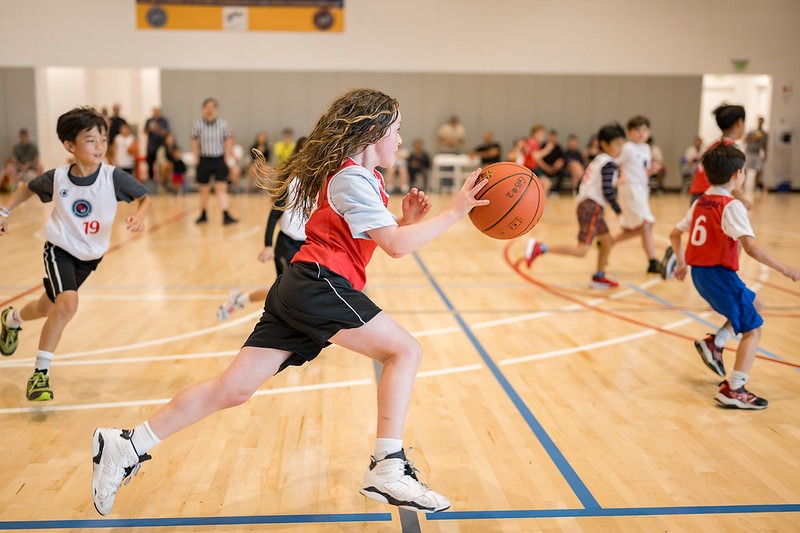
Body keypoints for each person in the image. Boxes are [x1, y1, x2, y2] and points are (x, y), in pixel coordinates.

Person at [91, 87, 489, 516]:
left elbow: (378, 233)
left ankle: (127, 444)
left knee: (232, 389)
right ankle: (388, 468)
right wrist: (456, 210)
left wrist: (404, 220)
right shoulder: (351, 178)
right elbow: (395, 246)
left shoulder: (363, 178)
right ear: (373, 132)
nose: (401, 140)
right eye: (397, 130)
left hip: (300, 285)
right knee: (405, 351)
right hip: (319, 283)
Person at [0, 107, 151, 401]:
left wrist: (140, 216)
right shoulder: (58, 178)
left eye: (103, 139)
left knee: (47, 307)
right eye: (90, 140)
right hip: (60, 249)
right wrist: (4, 211)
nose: (99, 146)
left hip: (90, 257)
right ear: (70, 145)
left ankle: (11, 319)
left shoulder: (113, 177)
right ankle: (40, 375)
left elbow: (145, 198)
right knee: (68, 304)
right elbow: (27, 188)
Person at [665, 143, 799, 409]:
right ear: (738, 174)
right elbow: (751, 247)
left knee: (756, 304)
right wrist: (786, 269)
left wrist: (681, 263)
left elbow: (674, 234)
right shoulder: (731, 206)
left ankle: (716, 342)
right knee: (753, 330)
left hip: (700, 275)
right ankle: (734, 388)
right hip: (719, 275)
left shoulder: (700, 202)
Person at [524, 123, 626, 289]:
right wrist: (619, 211)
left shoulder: (598, 160)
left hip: (587, 204)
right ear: (604, 144)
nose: (620, 148)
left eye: (622, 144)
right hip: (592, 206)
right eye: (617, 144)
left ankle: (599, 277)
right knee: (582, 250)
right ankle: (540, 247)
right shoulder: (609, 163)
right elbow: (607, 190)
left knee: (607, 242)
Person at [217, 137, 309, 321]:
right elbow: (274, 215)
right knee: (286, 291)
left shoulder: (320, 182)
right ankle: (245, 303)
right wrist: (268, 245)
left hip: (308, 245)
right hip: (288, 244)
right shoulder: (290, 182)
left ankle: (240, 300)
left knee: (291, 290)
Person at [612, 115, 660, 275]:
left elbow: (641, 169)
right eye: (637, 130)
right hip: (630, 190)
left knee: (643, 226)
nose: (641, 133)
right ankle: (652, 261)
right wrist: (615, 180)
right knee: (645, 224)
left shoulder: (646, 148)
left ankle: (608, 242)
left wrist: (650, 171)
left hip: (642, 189)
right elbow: (613, 163)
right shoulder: (628, 148)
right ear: (629, 132)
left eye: (644, 130)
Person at [688, 104, 751, 209]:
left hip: (698, 196)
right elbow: (729, 178)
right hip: (711, 198)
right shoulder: (731, 150)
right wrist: (742, 200)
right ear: (740, 123)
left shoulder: (713, 146)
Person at [191, 97, 238, 225]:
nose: (209, 110)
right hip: (204, 159)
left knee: (221, 188)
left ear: (216, 109)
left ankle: (225, 214)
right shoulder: (197, 124)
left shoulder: (222, 124)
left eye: (212, 107)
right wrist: (196, 157)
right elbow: (194, 141)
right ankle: (203, 214)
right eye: (207, 107)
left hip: (219, 159)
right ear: (203, 109)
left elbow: (228, 140)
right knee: (204, 189)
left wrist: (227, 156)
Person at [520, 124, 553, 196]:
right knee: (546, 183)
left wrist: (546, 167)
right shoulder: (532, 142)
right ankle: (541, 201)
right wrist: (547, 149)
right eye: (542, 135)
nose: (543, 137)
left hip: (533, 168)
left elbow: (537, 160)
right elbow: (535, 156)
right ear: (536, 133)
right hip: (529, 168)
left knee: (546, 184)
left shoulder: (532, 142)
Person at [144, 107, 170, 185]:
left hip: (160, 146)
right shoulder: (149, 120)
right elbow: (145, 132)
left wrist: (157, 128)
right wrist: (150, 129)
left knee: (161, 164)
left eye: (157, 111)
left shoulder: (164, 121)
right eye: (154, 111)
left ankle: (162, 183)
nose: (155, 113)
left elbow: (166, 133)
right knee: (150, 165)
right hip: (151, 147)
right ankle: (151, 184)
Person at [744, 116, 769, 193]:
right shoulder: (752, 131)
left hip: (757, 153)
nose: (760, 122)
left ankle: (755, 185)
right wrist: (755, 138)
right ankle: (743, 185)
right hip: (749, 152)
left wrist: (765, 154)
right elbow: (745, 140)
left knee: (759, 170)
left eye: (762, 120)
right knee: (745, 169)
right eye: (759, 120)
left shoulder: (765, 134)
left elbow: (765, 145)